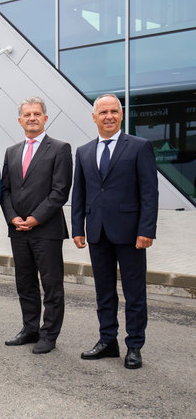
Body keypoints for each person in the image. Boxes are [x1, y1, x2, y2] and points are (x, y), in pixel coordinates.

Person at [71, 93, 158, 369]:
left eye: (114, 111)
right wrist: (77, 228)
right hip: (97, 232)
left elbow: (149, 193)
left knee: (134, 293)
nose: (108, 116)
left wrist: (147, 229)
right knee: (104, 292)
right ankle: (108, 341)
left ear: (121, 115)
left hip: (131, 234)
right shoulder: (84, 151)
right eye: (103, 112)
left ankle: (134, 345)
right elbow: (79, 192)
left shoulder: (139, 147)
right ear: (94, 117)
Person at [0, 97, 72, 354]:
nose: (32, 118)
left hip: (46, 229)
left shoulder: (60, 149)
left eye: (37, 114)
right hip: (18, 230)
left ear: (45, 118)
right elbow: (5, 190)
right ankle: (30, 329)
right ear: (20, 120)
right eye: (27, 114)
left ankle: (49, 334)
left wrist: (36, 218)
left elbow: (60, 191)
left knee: (51, 285)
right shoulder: (12, 151)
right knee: (25, 282)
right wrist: (12, 217)